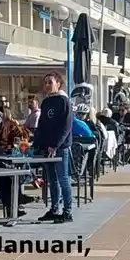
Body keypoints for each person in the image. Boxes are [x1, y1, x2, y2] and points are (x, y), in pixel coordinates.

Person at [31, 72, 74, 223]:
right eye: (45, 83)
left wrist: (56, 145)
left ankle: (68, 211)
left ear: (58, 84)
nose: (47, 86)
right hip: (46, 147)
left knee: (63, 178)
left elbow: (66, 127)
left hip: (60, 147)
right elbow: (42, 125)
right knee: (52, 179)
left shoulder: (64, 101)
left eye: (50, 82)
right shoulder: (46, 102)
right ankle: (54, 208)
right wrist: (37, 143)